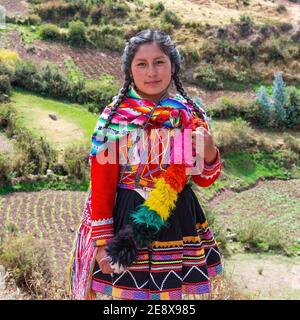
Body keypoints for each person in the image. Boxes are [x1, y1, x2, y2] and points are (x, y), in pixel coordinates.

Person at [68, 29, 223, 300]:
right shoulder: (115, 119)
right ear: (130, 70)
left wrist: (209, 151)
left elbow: (203, 179)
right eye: (142, 64)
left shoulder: (189, 115)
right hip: (128, 217)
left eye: (159, 62)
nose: (151, 71)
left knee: (171, 298)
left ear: (173, 66)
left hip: (176, 217)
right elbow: (102, 184)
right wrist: (103, 242)